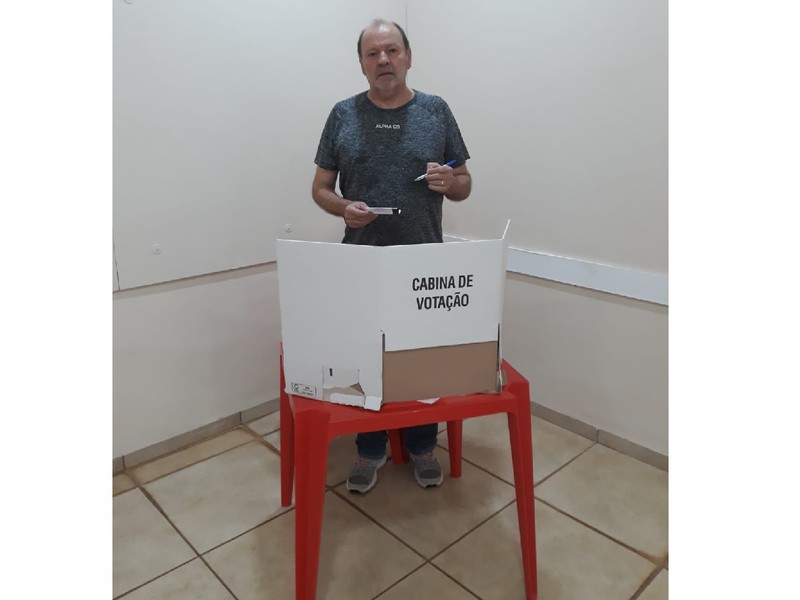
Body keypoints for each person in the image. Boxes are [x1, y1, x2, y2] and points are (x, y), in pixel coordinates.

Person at [311, 18, 473, 494]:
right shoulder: (342, 114)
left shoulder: (436, 111)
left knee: (418, 360)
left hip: (423, 263)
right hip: (361, 262)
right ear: (361, 64)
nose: (383, 60)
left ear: (408, 56)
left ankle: (422, 444)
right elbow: (320, 188)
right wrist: (343, 207)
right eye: (372, 53)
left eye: (392, 50)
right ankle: (370, 448)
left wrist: (451, 182)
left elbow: (464, 183)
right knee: (367, 359)